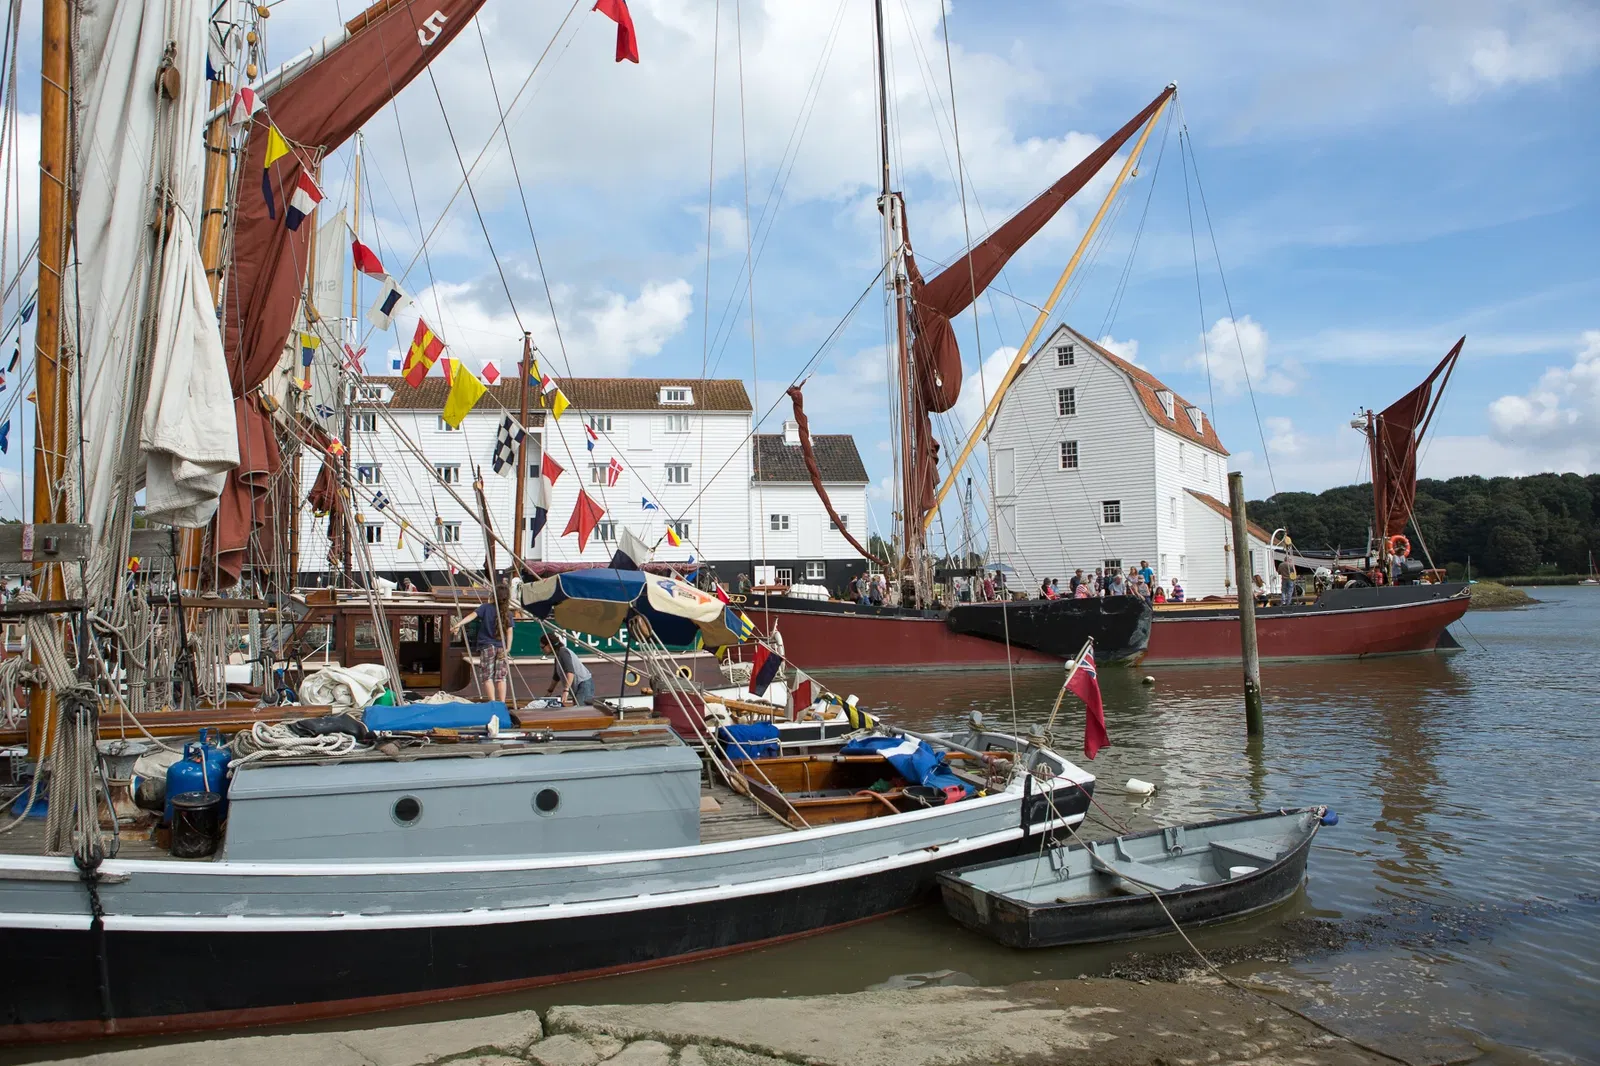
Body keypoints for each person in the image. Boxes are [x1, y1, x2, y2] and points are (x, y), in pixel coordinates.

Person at [452, 584, 514, 704]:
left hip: (487, 646)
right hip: (501, 647)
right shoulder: (508, 613)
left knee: (487, 676)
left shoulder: (485, 608)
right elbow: (510, 632)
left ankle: (493, 703)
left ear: (493, 595)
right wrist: (508, 648)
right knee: (501, 677)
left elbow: (471, 616)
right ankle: (502, 703)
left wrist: (458, 624)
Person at [541, 631, 594, 707]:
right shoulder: (557, 655)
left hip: (583, 684)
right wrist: (549, 691)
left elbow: (570, 672)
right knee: (578, 710)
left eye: (542, 647)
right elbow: (556, 676)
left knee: (581, 711)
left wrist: (566, 690)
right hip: (577, 687)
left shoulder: (563, 652)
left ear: (549, 645)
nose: (541, 650)